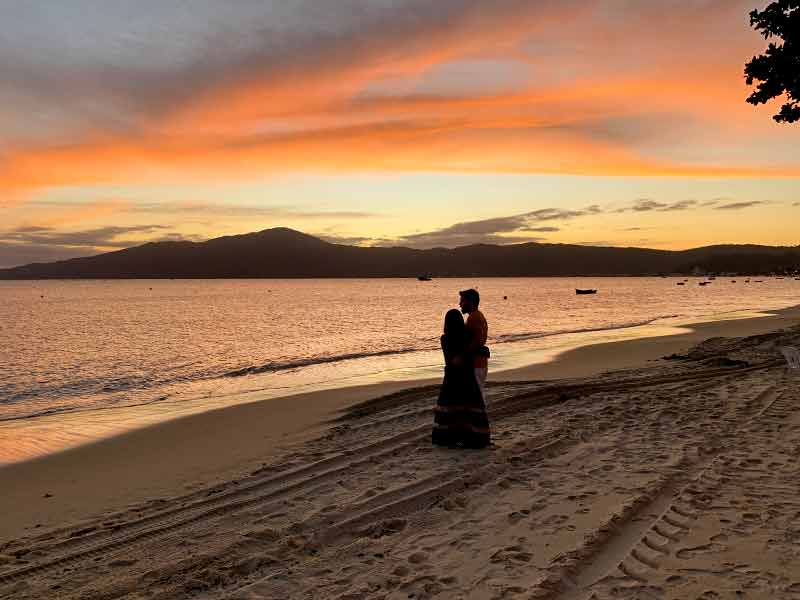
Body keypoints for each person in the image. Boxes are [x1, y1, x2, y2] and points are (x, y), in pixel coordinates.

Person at [432, 309, 491, 448]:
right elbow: (475, 347)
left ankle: (449, 437)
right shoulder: (467, 337)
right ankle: (472, 437)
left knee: (451, 408)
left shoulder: (445, 339)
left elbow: (451, 358)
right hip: (467, 376)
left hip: (452, 377)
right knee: (468, 408)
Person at [458, 288, 489, 405]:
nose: (460, 304)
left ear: (469, 302)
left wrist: (461, 356)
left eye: (462, 301)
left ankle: (480, 420)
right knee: (478, 394)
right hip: (480, 362)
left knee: (476, 396)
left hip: (476, 363)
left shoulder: (474, 318)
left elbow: (476, 342)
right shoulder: (478, 316)